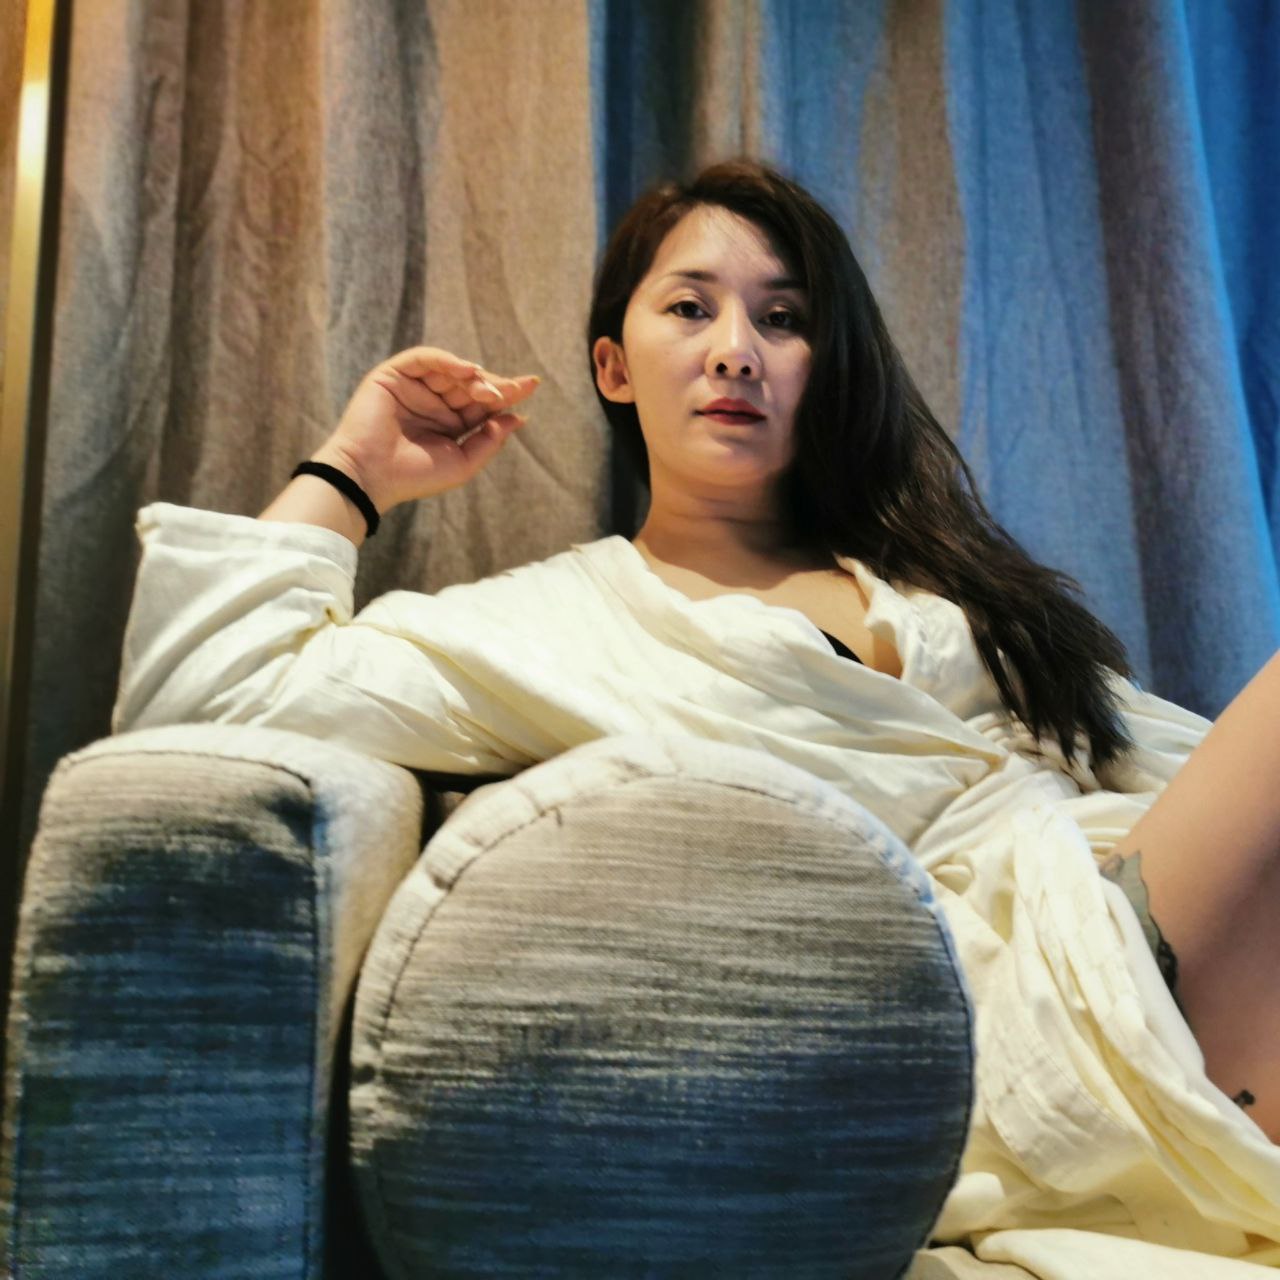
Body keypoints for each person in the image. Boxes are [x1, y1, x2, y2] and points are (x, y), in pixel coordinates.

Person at [112, 158, 1280, 1271]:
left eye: (782, 318)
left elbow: (1167, 768)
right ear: (614, 366)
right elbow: (210, 696)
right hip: (1022, 1023)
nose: (735, 349)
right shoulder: (553, 625)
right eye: (689, 308)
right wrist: (354, 470)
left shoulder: (941, 594)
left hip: (1163, 927)